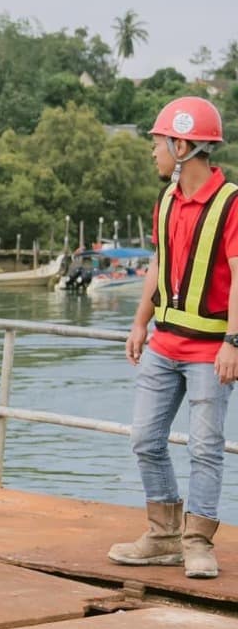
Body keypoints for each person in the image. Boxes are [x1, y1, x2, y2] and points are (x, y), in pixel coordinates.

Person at [111, 96, 238, 580]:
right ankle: (163, 534)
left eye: (158, 143)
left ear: (182, 145)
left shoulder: (231, 203)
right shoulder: (165, 200)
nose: (153, 152)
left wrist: (234, 342)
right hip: (164, 343)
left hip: (211, 351)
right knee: (145, 438)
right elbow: (159, 265)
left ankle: (198, 542)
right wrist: (140, 322)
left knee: (205, 447)